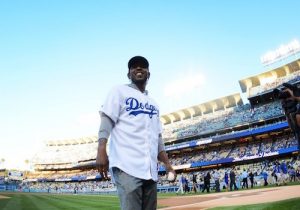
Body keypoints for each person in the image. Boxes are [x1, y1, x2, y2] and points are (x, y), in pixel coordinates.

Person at [96, 56, 176, 210]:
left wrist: (167, 164)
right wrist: (101, 149)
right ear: (129, 74)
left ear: (149, 74)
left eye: (143, 66)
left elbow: (157, 137)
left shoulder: (154, 104)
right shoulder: (119, 91)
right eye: (134, 67)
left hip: (150, 171)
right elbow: (107, 118)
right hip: (126, 166)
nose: (139, 68)